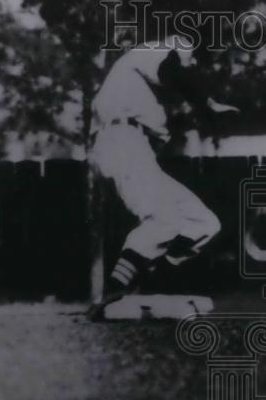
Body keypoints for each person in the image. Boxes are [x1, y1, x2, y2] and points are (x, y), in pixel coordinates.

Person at [87, 41, 237, 320]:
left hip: (135, 148)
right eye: (189, 59)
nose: (190, 65)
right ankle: (113, 291)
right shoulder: (152, 53)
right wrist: (207, 104)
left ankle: (149, 277)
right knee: (163, 219)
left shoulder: (149, 95)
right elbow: (174, 70)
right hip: (121, 140)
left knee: (203, 223)